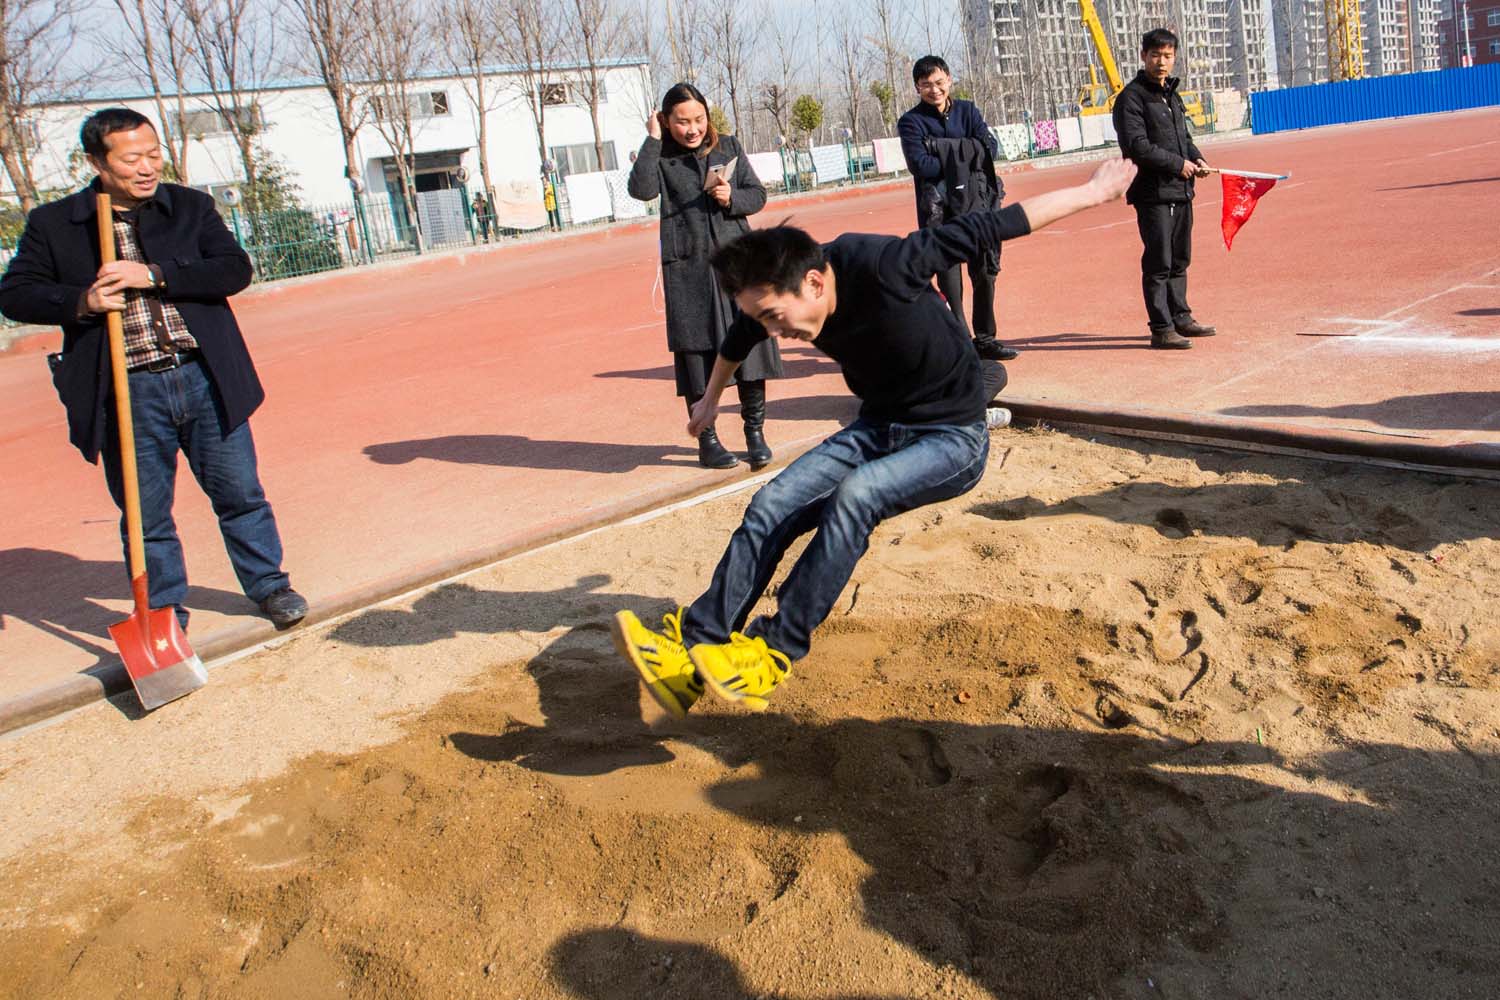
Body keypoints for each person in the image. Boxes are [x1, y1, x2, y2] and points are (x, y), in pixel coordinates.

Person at [611, 157, 1137, 715]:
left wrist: (1094, 191)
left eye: (774, 316)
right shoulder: (772, 296)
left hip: (952, 437)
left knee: (855, 497)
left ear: (814, 281)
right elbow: (738, 339)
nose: (774, 332)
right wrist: (711, 400)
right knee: (771, 505)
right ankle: (692, 658)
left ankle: (772, 653)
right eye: (763, 320)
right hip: (878, 426)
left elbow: (995, 224)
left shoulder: (887, 264)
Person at [0, 108, 308, 631]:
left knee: (240, 494)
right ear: (97, 161)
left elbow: (233, 269)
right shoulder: (55, 224)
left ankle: (270, 586)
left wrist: (155, 274)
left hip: (204, 377)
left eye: (153, 154)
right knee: (147, 515)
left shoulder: (189, 207)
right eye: (131, 159)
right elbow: (14, 293)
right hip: (126, 390)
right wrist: (81, 301)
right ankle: (163, 613)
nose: (147, 168)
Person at [627, 82, 783, 470]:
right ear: (665, 121)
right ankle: (707, 441)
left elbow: (757, 195)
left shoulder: (727, 145)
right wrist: (651, 139)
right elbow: (640, 190)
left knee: (750, 344)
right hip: (689, 269)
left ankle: (755, 432)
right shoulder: (660, 158)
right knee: (697, 353)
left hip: (737, 263)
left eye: (698, 119)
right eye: (681, 122)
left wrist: (732, 198)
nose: (692, 128)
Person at [897, 55, 1018, 363]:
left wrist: (940, 148)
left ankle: (986, 338)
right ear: (917, 87)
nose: (934, 90)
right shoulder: (911, 122)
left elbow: (990, 149)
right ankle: (962, 343)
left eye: (939, 82)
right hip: (939, 212)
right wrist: (967, 153)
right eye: (926, 85)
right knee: (950, 282)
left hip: (978, 206)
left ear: (949, 79)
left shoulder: (967, 110)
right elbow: (921, 166)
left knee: (985, 273)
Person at [1113, 28, 1217, 350]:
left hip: (1181, 191)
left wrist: (1196, 158)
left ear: (1174, 58)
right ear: (1143, 56)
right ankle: (1161, 327)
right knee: (1159, 261)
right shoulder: (1131, 98)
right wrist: (1177, 164)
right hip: (1153, 193)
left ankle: (1181, 318)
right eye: (1156, 55)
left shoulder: (1171, 95)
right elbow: (1137, 147)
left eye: (1168, 56)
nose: (1162, 62)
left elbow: (1182, 138)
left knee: (1180, 259)